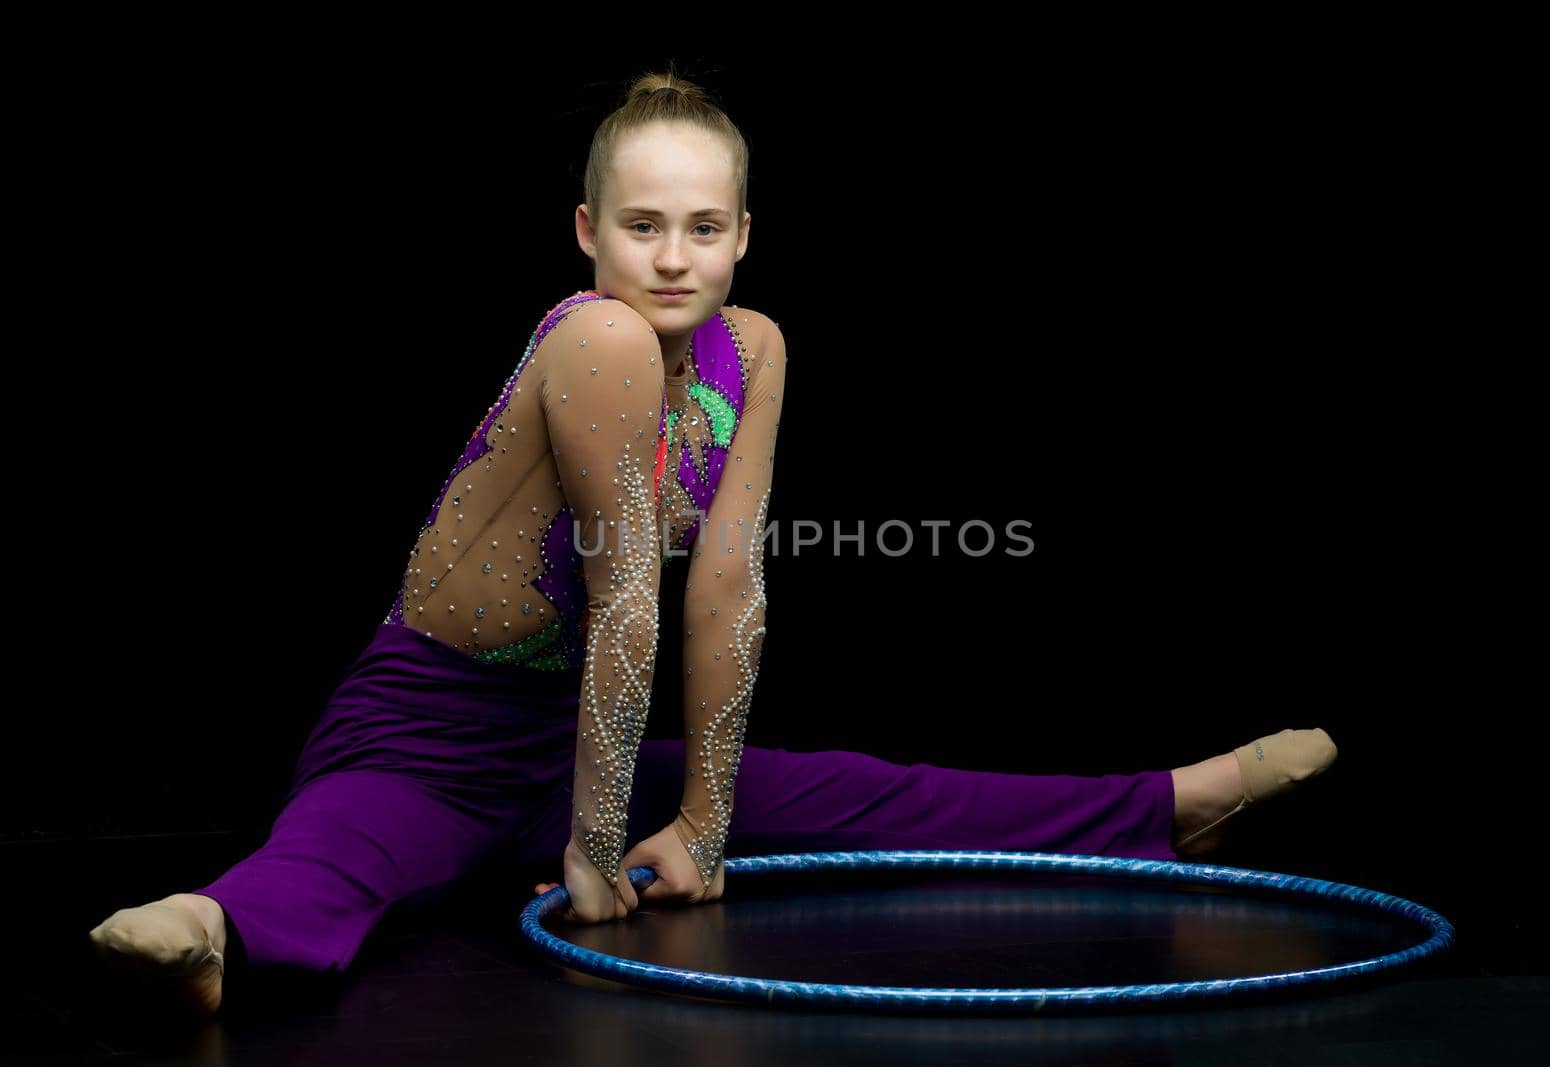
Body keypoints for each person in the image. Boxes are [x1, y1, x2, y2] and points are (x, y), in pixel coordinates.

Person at [86, 70, 1340, 1017]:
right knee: (345, 852)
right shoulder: (597, 336)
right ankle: (205, 928)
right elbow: (627, 593)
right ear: (586, 229)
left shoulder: (759, 347)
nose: (672, 257)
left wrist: (703, 818)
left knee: (864, 790)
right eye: (642, 225)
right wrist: (589, 849)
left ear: (746, 234)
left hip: (579, 730)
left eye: (702, 226)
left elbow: (727, 588)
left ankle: (1177, 801)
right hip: (428, 724)